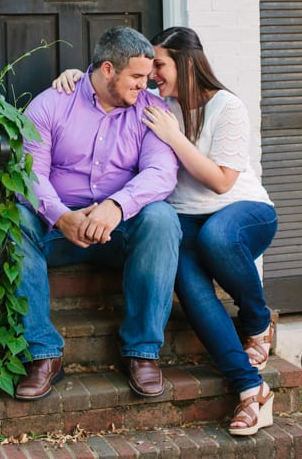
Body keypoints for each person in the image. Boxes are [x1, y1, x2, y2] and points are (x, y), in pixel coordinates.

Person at [53, 26, 277, 436]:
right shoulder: (154, 103)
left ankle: (257, 320)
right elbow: (108, 85)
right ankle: (251, 390)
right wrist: (74, 76)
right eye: (146, 68)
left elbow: (222, 182)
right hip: (185, 221)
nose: (150, 74)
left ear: (186, 63)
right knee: (190, 286)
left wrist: (174, 135)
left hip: (240, 211)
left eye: (159, 65)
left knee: (217, 238)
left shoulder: (227, 106)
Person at [15, 26, 181, 402]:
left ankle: (142, 352)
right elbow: (28, 174)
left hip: (117, 230)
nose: (146, 84)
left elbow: (161, 173)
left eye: (148, 76)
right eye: (137, 77)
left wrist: (116, 206)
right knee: (13, 220)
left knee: (161, 219)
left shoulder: (151, 110)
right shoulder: (51, 104)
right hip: (57, 231)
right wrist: (60, 215)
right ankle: (42, 354)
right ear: (107, 69)